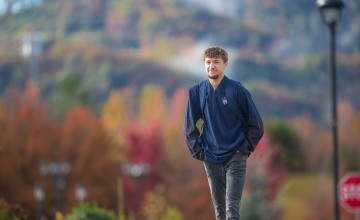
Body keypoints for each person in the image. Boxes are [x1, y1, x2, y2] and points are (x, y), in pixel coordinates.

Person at [183, 46, 264, 220]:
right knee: (220, 211)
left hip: (235, 156)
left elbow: (256, 124)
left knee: (232, 210)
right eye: (208, 62)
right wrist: (199, 151)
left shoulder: (237, 90)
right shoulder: (197, 92)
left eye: (216, 62)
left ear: (225, 65)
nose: (211, 66)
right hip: (210, 157)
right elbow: (189, 126)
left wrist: (243, 150)